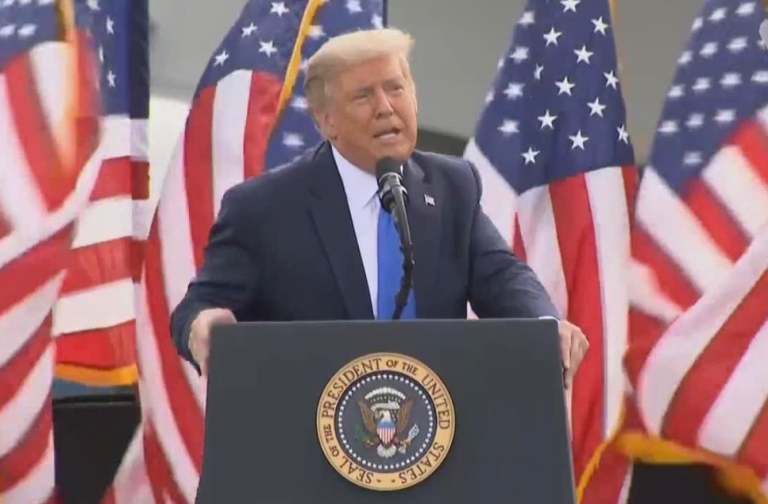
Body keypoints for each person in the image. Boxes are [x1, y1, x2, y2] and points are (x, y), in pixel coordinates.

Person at [170, 27, 589, 385]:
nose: (386, 108)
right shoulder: (262, 209)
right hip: (312, 443)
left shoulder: (452, 187)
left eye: (395, 88)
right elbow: (197, 307)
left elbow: (502, 276)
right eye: (363, 96)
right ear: (326, 121)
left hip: (434, 439)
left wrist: (544, 327)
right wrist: (203, 327)